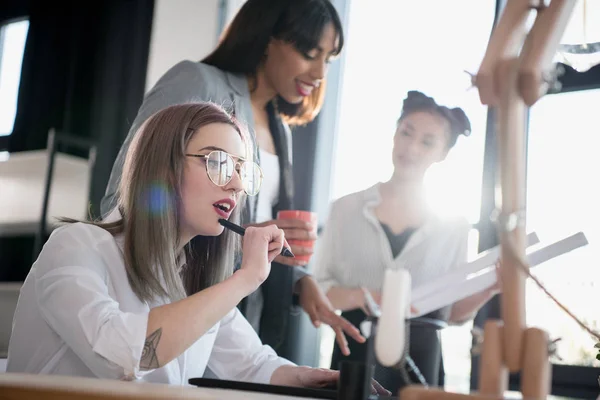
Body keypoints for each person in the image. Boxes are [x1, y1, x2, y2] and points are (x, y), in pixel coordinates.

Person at [6, 103, 388, 395]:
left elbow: (254, 365)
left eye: (243, 169)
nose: (236, 185)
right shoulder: (77, 247)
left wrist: (319, 380)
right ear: (163, 167)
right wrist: (244, 280)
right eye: (219, 163)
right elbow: (126, 356)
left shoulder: (195, 278)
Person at [100, 0, 362, 357]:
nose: (319, 73)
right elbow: (126, 195)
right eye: (308, 52)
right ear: (266, 37)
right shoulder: (196, 81)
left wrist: (301, 281)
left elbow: (247, 222)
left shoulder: (280, 129)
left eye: (328, 59)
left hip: (237, 325)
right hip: (175, 311)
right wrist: (242, 236)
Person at [313, 91, 502, 392]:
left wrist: (491, 287)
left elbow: (450, 313)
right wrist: (369, 297)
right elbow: (319, 289)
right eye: (406, 133)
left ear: (442, 153)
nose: (411, 148)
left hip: (421, 361)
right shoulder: (345, 209)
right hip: (356, 353)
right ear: (395, 134)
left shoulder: (454, 226)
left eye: (427, 142)